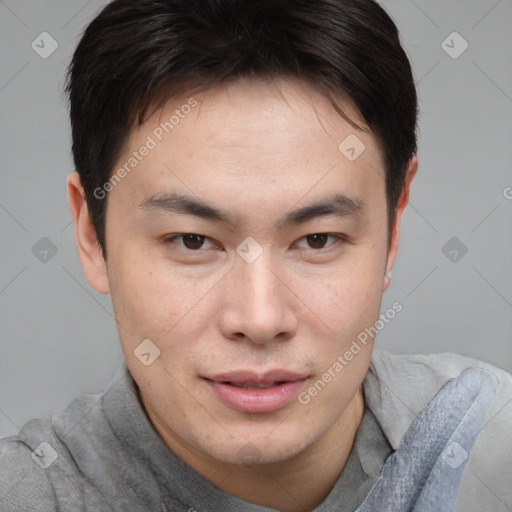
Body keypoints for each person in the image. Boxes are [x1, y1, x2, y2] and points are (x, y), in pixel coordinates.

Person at [1, 0, 510, 511]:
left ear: (393, 226)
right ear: (93, 234)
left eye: (317, 240)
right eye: (193, 241)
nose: (260, 319)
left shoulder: (491, 448)